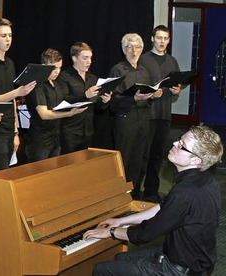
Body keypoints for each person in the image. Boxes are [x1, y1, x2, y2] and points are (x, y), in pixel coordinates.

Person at [84, 125, 223, 276]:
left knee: (101, 270)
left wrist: (110, 232)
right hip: (191, 259)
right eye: (179, 140)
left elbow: (145, 234)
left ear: (196, 160)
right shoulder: (205, 179)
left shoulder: (185, 193)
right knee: (120, 257)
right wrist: (120, 222)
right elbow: (163, 208)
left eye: (182, 146)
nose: (174, 144)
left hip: (180, 269)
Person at [0, 18, 36, 173]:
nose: (8, 39)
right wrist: (17, 92)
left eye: (10, 35)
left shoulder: (10, 63)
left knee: (8, 174)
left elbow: (13, 101)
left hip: (9, 128)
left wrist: (15, 132)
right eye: (3, 36)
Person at [108, 33, 158, 199]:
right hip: (125, 119)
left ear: (142, 49)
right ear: (123, 49)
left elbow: (146, 95)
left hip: (143, 118)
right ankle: (118, 195)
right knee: (124, 158)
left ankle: (133, 194)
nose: (134, 51)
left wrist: (152, 95)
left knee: (140, 158)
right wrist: (133, 98)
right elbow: (113, 101)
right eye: (130, 47)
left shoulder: (144, 71)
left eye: (137, 47)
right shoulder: (117, 69)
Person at [139, 25, 182, 203]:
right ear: (152, 39)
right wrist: (150, 93)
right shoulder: (143, 59)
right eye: (159, 38)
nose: (162, 41)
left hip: (164, 115)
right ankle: (133, 190)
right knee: (142, 155)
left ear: (169, 40)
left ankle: (151, 192)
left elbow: (176, 85)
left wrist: (176, 90)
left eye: (165, 38)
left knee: (157, 156)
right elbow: (137, 86)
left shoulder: (172, 61)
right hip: (146, 114)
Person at [25, 49, 87, 162]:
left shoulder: (56, 83)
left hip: (55, 138)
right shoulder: (37, 85)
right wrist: (68, 113)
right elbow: (44, 114)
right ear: (43, 66)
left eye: (59, 67)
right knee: (39, 176)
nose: (57, 71)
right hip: (40, 141)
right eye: (54, 67)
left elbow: (64, 101)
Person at [56, 42, 110, 154]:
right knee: (68, 165)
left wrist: (104, 101)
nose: (89, 62)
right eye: (85, 58)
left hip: (88, 131)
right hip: (70, 131)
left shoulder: (93, 78)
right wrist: (85, 95)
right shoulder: (64, 77)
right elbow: (63, 101)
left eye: (90, 58)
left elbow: (97, 107)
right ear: (74, 58)